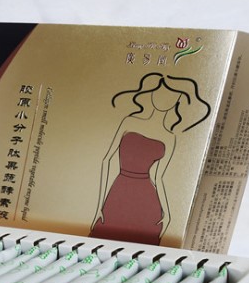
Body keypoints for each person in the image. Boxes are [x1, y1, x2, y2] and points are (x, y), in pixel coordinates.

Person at [90, 73, 211, 245]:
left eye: (172, 95)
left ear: (177, 101)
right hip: (120, 190)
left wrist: (167, 214)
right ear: (152, 93)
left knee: (141, 247)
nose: (164, 98)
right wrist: (98, 207)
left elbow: (159, 178)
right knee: (102, 241)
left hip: (147, 199)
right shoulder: (130, 122)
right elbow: (106, 160)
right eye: (160, 91)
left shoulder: (169, 137)